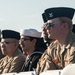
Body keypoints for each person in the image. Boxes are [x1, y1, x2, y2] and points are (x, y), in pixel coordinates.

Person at [36, 7, 75, 75]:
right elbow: (47, 72)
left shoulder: (73, 46)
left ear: (64, 26)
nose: (47, 28)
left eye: (50, 25)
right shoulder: (52, 48)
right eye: (46, 25)